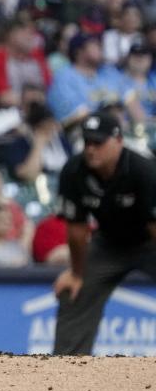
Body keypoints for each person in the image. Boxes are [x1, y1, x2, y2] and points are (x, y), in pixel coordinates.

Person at [53, 113, 156, 355]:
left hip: (150, 242)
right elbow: (77, 232)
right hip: (109, 244)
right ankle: (66, 372)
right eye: (87, 142)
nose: (91, 149)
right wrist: (76, 273)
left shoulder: (144, 170)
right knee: (73, 290)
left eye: (98, 143)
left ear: (118, 141)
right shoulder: (74, 171)